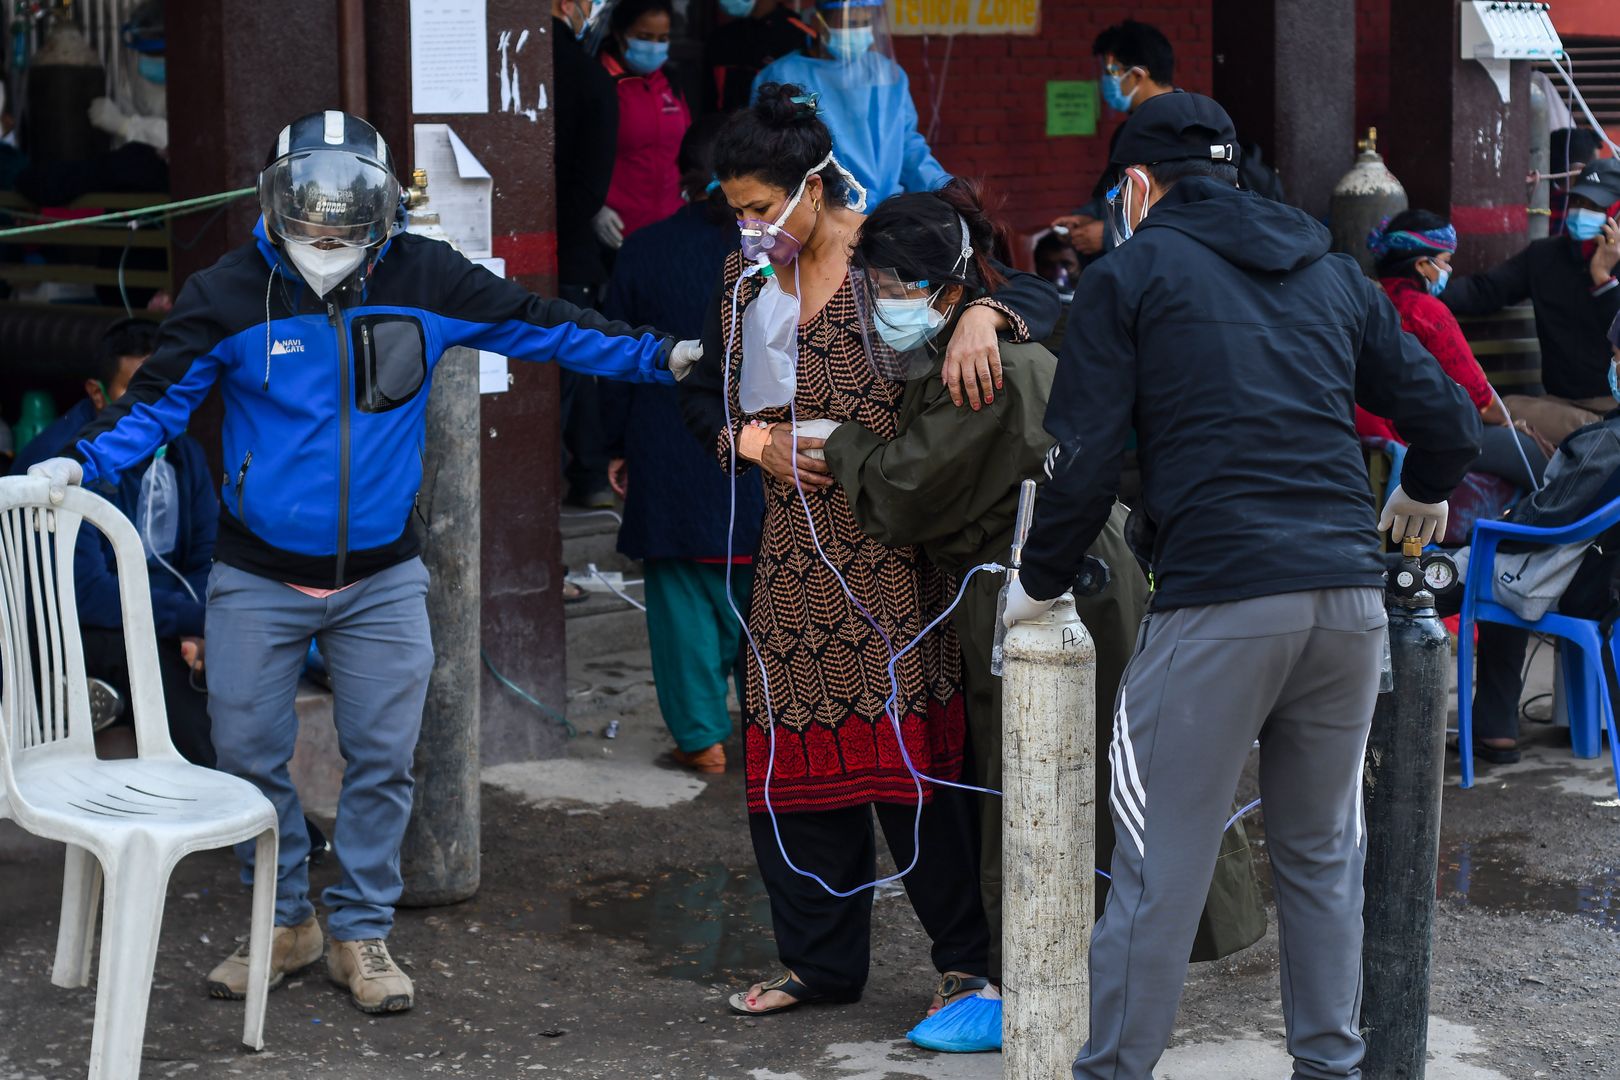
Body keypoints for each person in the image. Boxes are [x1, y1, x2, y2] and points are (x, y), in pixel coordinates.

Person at [28, 110, 701, 1017]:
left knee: (384, 756)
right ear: (275, 200)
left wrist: (662, 357)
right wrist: (81, 458)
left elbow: (541, 325)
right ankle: (283, 916)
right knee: (245, 755)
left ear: (384, 210)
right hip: (256, 576)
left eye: (348, 216)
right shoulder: (226, 294)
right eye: (309, 212)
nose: (327, 232)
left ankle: (361, 930)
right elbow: (154, 407)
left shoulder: (425, 275)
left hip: (382, 575)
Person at [999, 93, 1481, 1078]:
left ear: (1137, 186)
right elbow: (1448, 419)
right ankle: (1330, 1068)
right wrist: (1425, 492)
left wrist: (1036, 583)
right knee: (1320, 862)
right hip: (1347, 610)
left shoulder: (1128, 276)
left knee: (1159, 870)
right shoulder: (1336, 274)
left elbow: (1082, 459)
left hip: (1219, 603)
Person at [820, 180, 1265, 1052]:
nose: (880, 305)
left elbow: (908, 490)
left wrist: (834, 445)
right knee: (1046, 778)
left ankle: (1054, 977)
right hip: (1038, 576)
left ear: (947, 284)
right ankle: (1060, 967)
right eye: (872, 287)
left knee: (1082, 781)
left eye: (893, 287)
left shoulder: (994, 359)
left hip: (1061, 581)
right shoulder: (970, 337)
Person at [677, 84, 1059, 1022]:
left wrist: (985, 317)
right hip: (790, 573)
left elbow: (1034, 302)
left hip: (897, 565)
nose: (751, 229)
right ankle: (818, 963)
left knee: (917, 776)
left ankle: (968, 962)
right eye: (736, 213)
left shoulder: (888, 259)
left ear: (814, 186)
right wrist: (748, 444)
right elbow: (708, 405)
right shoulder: (744, 281)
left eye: (764, 209)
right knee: (791, 777)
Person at [599, 116, 765, 774]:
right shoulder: (777, 255)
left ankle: (701, 739)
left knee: (681, 603)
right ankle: (771, 734)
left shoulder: (643, 249)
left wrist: (612, 447)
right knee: (767, 598)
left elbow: (614, 357)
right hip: (762, 449)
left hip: (669, 443)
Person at [10, 319, 212, 764]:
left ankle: (261, 791)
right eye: (134, 394)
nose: (150, 411)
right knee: (159, 660)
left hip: (163, 615)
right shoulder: (64, 465)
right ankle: (209, 794)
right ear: (97, 394)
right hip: (68, 628)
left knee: (241, 645)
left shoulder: (184, 455)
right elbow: (85, 593)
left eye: (162, 394)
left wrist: (199, 624)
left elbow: (203, 557)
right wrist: (188, 618)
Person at [1451, 312, 1620, 764]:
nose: (1612, 366)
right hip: (1605, 582)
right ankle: (1494, 729)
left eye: (1617, 356)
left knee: (1478, 572)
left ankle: (1489, 730)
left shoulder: (1605, 443)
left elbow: (1542, 522)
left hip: (1588, 588)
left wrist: (1500, 524)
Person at [1358, 210, 1548, 489]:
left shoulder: (1367, 297)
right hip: (1418, 435)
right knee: (1531, 453)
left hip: (1368, 428)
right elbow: (1481, 402)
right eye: (1446, 262)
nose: (1449, 271)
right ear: (1423, 265)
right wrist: (1507, 420)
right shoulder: (1427, 311)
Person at [1444, 157, 1620, 446]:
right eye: (1577, 203)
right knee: (1504, 410)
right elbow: (1485, 290)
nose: (1581, 213)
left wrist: (1603, 278)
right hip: (1558, 405)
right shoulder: (1545, 256)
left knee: (1512, 412)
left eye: (1595, 208)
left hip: (1611, 408)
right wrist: (1422, 291)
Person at [750, 0, 947, 207]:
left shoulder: (887, 75)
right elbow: (762, 152)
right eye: (850, 24)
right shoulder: (781, 76)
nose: (860, 32)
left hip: (886, 213)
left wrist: (943, 185)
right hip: (819, 213)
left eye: (866, 22)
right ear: (818, 22)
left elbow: (908, 146)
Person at [552, 0, 621, 511]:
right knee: (574, 367)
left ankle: (587, 476)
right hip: (571, 251)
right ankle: (587, 476)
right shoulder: (590, 76)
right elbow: (590, 187)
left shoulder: (508, 59)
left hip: (532, 245)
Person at [1050, 19, 1175, 263]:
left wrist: (1108, 235)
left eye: (1112, 73)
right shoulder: (1129, 131)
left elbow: (1178, 211)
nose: (1106, 82)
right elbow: (1117, 193)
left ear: (1138, 75)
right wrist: (1087, 218)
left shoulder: (1184, 130)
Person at [597, 0, 691, 248]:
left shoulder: (670, 82)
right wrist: (594, 208)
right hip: (617, 232)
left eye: (662, 38)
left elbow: (687, 149)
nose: (654, 46)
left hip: (673, 228)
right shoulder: (599, 82)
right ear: (620, 34)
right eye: (644, 36)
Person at [704, 0, 814, 114]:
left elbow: (813, 105)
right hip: (725, 128)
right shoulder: (721, 38)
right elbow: (708, 100)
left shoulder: (803, 37)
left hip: (782, 129)